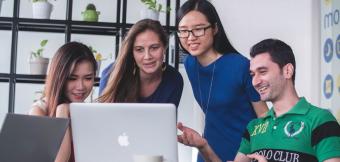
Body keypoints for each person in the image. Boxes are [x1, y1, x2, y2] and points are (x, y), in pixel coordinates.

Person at [177, 39, 340, 162]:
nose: (255, 82)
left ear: (288, 70)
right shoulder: (254, 127)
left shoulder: (320, 120)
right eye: (252, 74)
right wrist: (204, 146)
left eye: (262, 71)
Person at [176, 0, 268, 161]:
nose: (190, 37)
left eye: (198, 29)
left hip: (243, 154)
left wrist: (250, 154)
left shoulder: (240, 66)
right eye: (183, 31)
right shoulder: (190, 64)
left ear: (215, 28)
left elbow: (264, 116)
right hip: (206, 153)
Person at [29, 42, 97, 162]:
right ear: (59, 78)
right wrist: (62, 112)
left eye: (88, 78)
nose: (80, 87)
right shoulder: (39, 111)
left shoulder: (88, 112)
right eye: (72, 78)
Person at [98, 19, 183, 107]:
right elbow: (103, 118)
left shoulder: (174, 79)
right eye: (139, 49)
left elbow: (167, 119)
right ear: (132, 52)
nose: (147, 56)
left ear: (164, 47)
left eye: (154, 47)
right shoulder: (110, 74)